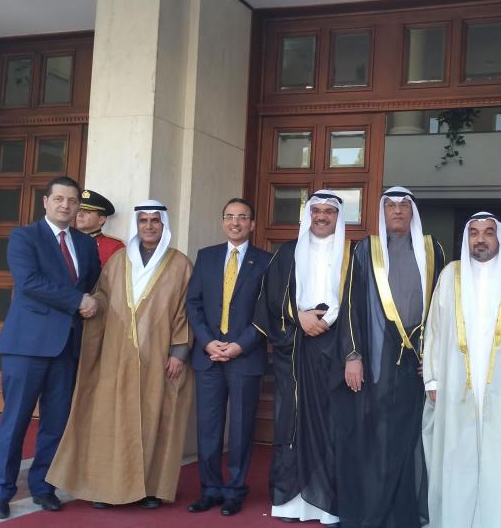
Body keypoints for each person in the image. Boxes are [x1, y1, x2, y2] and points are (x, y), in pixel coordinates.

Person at [46, 200, 195, 509]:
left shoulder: (180, 264)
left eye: (155, 220)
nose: (149, 226)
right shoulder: (117, 261)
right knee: (109, 420)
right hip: (115, 354)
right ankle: (105, 488)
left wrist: (179, 352)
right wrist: (91, 305)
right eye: (144, 221)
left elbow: (187, 310)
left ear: (164, 225)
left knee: (154, 420)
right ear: (136, 225)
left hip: (158, 358)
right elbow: (102, 296)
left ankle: (149, 489)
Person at [0, 176, 101, 519]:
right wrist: (77, 300)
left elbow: (93, 283)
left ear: (78, 207)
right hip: (27, 346)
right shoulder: (24, 236)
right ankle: (0, 492)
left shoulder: (85, 244)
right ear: (46, 202)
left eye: (72, 201)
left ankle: (43, 487)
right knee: (15, 421)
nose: (66, 205)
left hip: (67, 347)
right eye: (59, 199)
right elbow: (30, 282)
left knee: (56, 423)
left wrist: (92, 301)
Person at [422, 213, 501, 528]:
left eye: (488, 233)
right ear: (467, 239)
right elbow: (435, 329)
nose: (481, 239)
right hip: (456, 382)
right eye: (474, 233)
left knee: (500, 452)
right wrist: (433, 378)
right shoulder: (450, 275)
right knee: (458, 452)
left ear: (498, 238)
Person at [333, 186, 446, 528]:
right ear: (382, 212)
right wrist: (353, 355)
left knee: (410, 436)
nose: (397, 211)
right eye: (391, 206)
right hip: (375, 356)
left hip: (418, 358)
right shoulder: (366, 249)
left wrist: (435, 357)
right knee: (376, 434)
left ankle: (403, 513)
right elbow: (350, 304)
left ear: (413, 212)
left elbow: (444, 310)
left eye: (404, 206)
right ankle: (372, 512)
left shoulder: (433, 250)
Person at [254, 190, 351, 526]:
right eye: (316, 211)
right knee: (292, 421)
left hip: (338, 345)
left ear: (338, 217)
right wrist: (299, 316)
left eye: (329, 212)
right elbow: (270, 299)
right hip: (296, 345)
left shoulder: (354, 254)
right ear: (309, 215)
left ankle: (328, 505)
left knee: (332, 422)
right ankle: (291, 503)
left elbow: (360, 300)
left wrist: (330, 318)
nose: (321, 216)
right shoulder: (287, 252)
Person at [185, 198, 271, 516]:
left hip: (245, 357)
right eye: (230, 216)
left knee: (241, 428)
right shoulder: (206, 256)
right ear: (223, 221)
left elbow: (267, 310)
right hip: (208, 356)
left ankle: (235, 489)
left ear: (252, 224)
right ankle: (209, 488)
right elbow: (193, 303)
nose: (235, 222)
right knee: (208, 427)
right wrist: (207, 342)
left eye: (242, 217)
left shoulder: (266, 261)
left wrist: (239, 345)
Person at [76, 189, 125, 266]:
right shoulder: (67, 240)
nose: (79, 214)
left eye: (87, 212)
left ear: (101, 219)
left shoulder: (114, 246)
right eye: (79, 210)